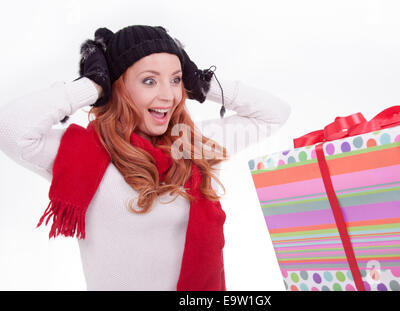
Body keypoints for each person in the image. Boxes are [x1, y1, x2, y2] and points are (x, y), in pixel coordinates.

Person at [0, 25, 291, 290]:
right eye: (149, 81)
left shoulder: (191, 144)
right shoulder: (84, 152)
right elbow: (10, 127)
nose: (168, 95)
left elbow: (273, 114)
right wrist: (93, 86)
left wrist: (203, 84)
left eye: (176, 79)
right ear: (119, 87)